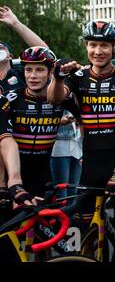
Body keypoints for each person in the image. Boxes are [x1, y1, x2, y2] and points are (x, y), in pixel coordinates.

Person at [47, 20, 115, 261]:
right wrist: (57, 78)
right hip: (89, 165)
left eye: (104, 46)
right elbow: (55, 99)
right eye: (92, 45)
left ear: (114, 47)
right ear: (86, 46)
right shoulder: (77, 77)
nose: (98, 51)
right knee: (85, 233)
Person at [5, 47, 74, 198]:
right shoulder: (10, 99)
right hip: (13, 175)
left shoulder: (61, 98)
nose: (32, 76)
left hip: (44, 176)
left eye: (39, 70)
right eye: (28, 70)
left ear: (50, 72)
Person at [0, 6, 47, 95]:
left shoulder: (24, 74)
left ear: (10, 56)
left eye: (1, 47)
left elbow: (43, 51)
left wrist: (15, 23)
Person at [50, 110, 82, 198]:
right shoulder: (53, 100)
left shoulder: (74, 100)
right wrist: (59, 121)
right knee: (61, 191)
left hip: (77, 145)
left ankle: (71, 211)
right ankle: (61, 211)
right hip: (60, 146)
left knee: (74, 189)